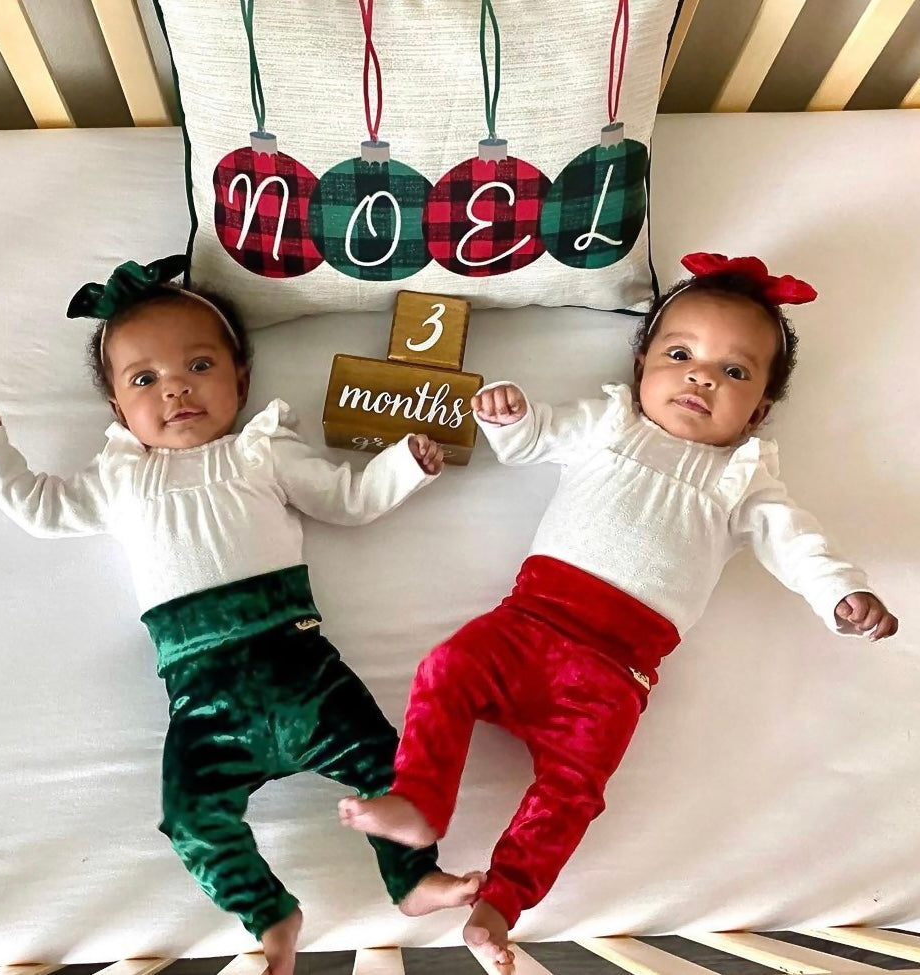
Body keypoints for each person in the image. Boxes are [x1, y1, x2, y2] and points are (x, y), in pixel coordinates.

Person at [339, 252, 899, 969]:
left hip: (612, 675)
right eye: (680, 353)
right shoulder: (608, 422)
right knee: (446, 669)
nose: (700, 376)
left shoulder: (744, 481)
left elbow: (798, 548)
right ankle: (419, 803)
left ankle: (498, 902)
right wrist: (507, 411)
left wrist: (841, 595)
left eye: (733, 372)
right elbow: (534, 437)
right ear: (641, 369)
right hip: (527, 623)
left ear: (756, 411)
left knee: (571, 791)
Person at [0, 256, 481, 975]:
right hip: (202, 695)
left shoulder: (262, 452)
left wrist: (403, 466)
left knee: (392, 765)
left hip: (299, 665)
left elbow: (346, 499)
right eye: (144, 380)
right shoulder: (121, 476)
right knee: (192, 819)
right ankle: (268, 911)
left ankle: (413, 878)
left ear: (241, 379)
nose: (175, 387)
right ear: (116, 409)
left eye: (198, 364)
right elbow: (44, 509)